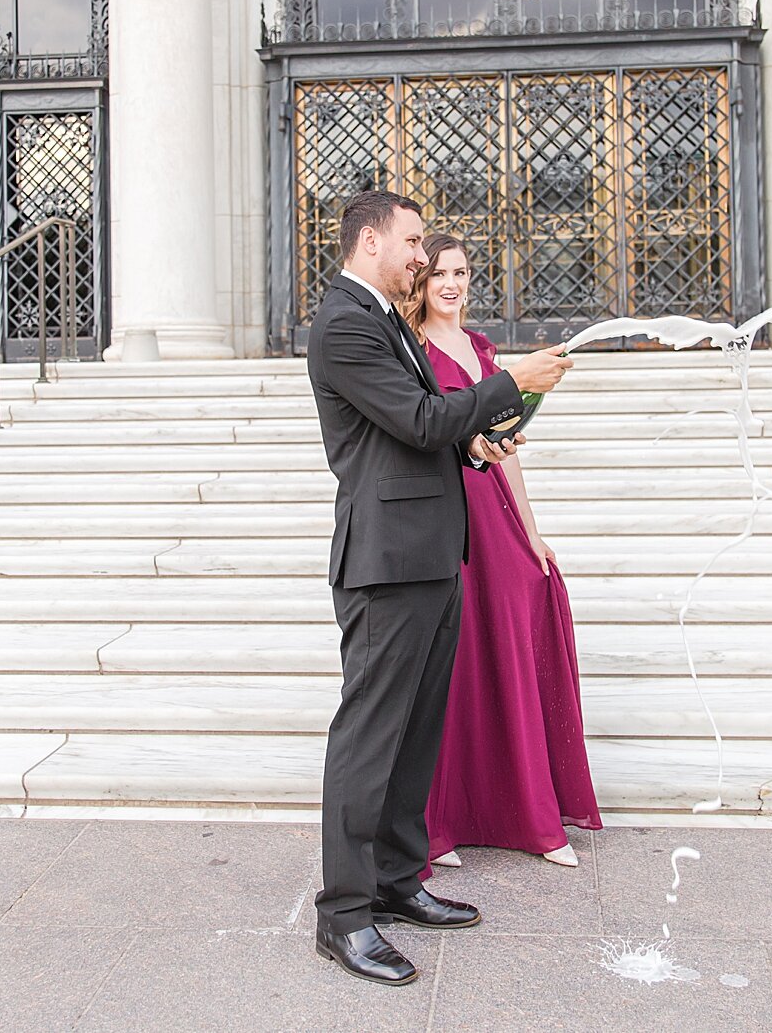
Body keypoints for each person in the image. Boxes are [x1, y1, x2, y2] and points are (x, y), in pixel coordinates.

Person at [306, 190, 573, 987]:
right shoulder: (346, 322)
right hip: (385, 562)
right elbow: (418, 419)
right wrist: (508, 378)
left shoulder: (386, 316)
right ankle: (344, 915)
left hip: (430, 552)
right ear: (369, 241)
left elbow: (427, 431)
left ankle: (395, 879)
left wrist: (482, 445)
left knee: (418, 730)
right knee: (369, 734)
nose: (423, 257)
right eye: (414, 241)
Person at [401, 235, 603, 872]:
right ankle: (440, 823)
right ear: (422, 282)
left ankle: (532, 817)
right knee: (453, 658)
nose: (453, 284)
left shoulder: (485, 351)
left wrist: (531, 530)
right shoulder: (415, 351)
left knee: (515, 632)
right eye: (440, 274)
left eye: (461, 272)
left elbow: (507, 447)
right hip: (446, 509)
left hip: (496, 508)